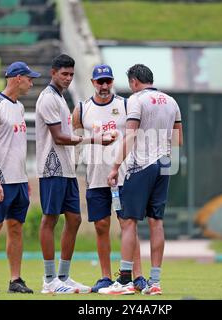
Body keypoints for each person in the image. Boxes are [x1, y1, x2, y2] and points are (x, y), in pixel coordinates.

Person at [101, 64, 183, 295]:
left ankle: (125, 280)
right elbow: (179, 141)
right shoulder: (171, 101)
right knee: (156, 222)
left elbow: (130, 135)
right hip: (164, 166)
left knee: (128, 222)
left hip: (141, 166)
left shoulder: (136, 100)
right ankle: (155, 282)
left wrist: (115, 167)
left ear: (134, 82)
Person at [35, 54, 113, 294]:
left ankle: (63, 276)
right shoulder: (47, 98)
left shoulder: (60, 97)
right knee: (50, 219)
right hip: (52, 167)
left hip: (66, 169)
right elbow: (59, 137)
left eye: (71, 74)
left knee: (75, 219)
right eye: (64, 74)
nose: (68, 78)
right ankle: (49, 281)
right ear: (53, 73)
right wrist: (95, 139)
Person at [72, 64, 147, 293]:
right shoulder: (82, 109)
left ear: (112, 82)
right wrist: (73, 168)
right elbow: (74, 141)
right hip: (95, 177)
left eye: (107, 81)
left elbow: (137, 136)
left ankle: (138, 276)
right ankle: (105, 277)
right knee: (101, 226)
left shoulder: (126, 105)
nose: (104, 86)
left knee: (128, 225)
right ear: (93, 83)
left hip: (124, 176)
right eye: (99, 81)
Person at [0, 61, 41, 294]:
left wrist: (25, 179)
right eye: (29, 78)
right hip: (0, 181)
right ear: (16, 78)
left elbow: (16, 146)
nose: (32, 82)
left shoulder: (20, 107)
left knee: (16, 228)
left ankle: (15, 280)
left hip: (19, 181)